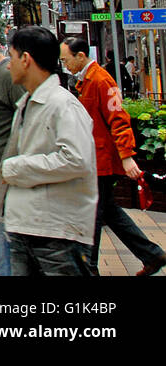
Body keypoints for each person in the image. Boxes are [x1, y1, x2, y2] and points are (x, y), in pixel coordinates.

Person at [0, 26, 97, 276]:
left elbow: (76, 159)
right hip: (27, 226)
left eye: (11, 57)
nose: (8, 65)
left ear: (25, 60)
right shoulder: (29, 102)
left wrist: (18, 167)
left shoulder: (62, 104)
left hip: (56, 233)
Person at [60, 38, 166, 276]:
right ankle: (151, 254)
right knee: (106, 210)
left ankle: (90, 268)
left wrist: (126, 155)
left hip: (102, 162)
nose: (65, 65)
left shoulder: (100, 80)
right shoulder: (87, 81)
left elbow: (119, 118)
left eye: (66, 59)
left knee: (93, 215)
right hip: (97, 159)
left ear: (81, 56)